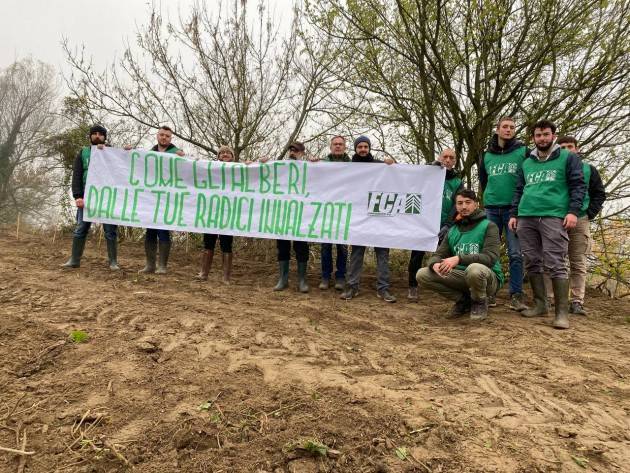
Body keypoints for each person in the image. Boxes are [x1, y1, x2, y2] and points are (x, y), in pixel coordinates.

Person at [509, 120, 586, 329]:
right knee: (532, 261)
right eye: (538, 135)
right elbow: (518, 189)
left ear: (553, 135)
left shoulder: (568, 158)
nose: (541, 138)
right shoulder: (526, 162)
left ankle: (561, 313)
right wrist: (514, 214)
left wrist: (572, 211)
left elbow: (578, 186)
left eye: (545, 134)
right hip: (526, 217)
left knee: (556, 262)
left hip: (553, 216)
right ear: (533, 138)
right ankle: (540, 305)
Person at [543, 136, 606, 315]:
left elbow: (599, 194)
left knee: (578, 262)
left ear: (576, 149)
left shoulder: (589, 170)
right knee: (551, 260)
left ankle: (577, 301)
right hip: (554, 219)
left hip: (579, 220)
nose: (567, 149)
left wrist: (588, 214)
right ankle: (549, 298)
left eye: (570, 146)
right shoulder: (551, 168)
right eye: (562, 147)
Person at [417, 189, 503, 320]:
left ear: (476, 204)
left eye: (468, 202)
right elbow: (438, 254)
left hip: (487, 279)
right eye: (460, 203)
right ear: (456, 206)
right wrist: (434, 264)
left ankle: (479, 302)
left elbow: (490, 258)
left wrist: (459, 258)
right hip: (462, 277)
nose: (464, 206)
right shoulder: (452, 231)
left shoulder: (489, 226)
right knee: (423, 274)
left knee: (474, 269)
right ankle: (463, 301)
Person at [479, 116, 528, 311]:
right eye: (505, 127)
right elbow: (484, 180)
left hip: (513, 210)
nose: (508, 130)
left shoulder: (523, 152)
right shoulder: (486, 155)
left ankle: (516, 295)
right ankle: (490, 292)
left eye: (512, 127)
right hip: (491, 209)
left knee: (516, 253)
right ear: (497, 129)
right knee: (490, 254)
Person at [340, 136, 397, 302]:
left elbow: (398, 179)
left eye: (366, 146)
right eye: (360, 147)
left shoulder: (380, 166)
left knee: (383, 254)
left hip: (380, 217)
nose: (363, 149)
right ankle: (352, 287)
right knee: (357, 254)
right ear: (356, 149)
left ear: (369, 148)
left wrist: (393, 166)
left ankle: (383, 289)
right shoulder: (348, 167)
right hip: (359, 218)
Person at [61, 124, 120, 270]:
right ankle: (74, 260)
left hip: (107, 198)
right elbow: (77, 176)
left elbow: (123, 170)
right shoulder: (83, 153)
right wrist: (77, 196)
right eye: (95, 133)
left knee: (110, 231)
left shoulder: (113, 152)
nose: (98, 136)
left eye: (101, 134)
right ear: (90, 136)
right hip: (87, 197)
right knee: (81, 228)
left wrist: (127, 151)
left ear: (105, 137)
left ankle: (113, 262)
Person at [407, 148, 463, 302]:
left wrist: (448, 225)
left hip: (444, 225)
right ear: (439, 158)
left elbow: (456, 206)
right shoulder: (428, 174)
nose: (448, 160)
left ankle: (445, 287)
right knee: (416, 255)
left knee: (445, 257)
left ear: (455, 161)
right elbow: (411, 183)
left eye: (452, 157)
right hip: (424, 224)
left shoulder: (457, 182)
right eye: (445, 157)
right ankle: (412, 286)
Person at [138, 126, 185, 274]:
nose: (164, 137)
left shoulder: (177, 153)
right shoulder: (150, 154)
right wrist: (128, 152)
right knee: (150, 231)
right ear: (157, 136)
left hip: (167, 200)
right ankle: (150, 265)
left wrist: (183, 157)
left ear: (171, 139)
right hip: (151, 200)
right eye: (162, 135)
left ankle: (162, 266)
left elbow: (185, 171)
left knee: (163, 230)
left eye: (167, 136)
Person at [271, 142, 311, 293]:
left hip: (302, 216)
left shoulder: (309, 169)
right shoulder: (280, 168)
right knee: (282, 247)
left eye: (296, 151)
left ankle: (302, 280)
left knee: (301, 247)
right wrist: (261, 163)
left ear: (302, 153)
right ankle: (283, 279)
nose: (293, 153)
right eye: (291, 150)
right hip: (282, 215)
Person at [196, 145, 236, 283]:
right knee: (208, 242)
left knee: (226, 244)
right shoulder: (210, 169)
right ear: (218, 156)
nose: (225, 154)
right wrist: (195, 163)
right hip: (211, 213)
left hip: (228, 214)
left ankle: (225, 277)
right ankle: (204, 272)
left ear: (232, 156)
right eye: (222, 153)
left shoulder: (240, 170)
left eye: (228, 153)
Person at [318, 136, 350, 290]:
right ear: (330, 146)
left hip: (344, 211)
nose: (338, 146)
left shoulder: (354, 165)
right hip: (326, 211)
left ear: (345, 147)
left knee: (342, 247)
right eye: (335, 144)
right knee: (325, 246)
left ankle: (340, 277)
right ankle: (325, 276)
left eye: (340, 144)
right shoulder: (322, 164)